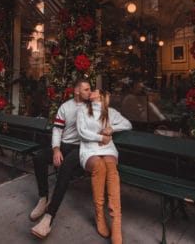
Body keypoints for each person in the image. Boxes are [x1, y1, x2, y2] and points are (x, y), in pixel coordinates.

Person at [30, 78, 91, 239]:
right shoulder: (65, 107)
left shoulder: (92, 106)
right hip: (65, 145)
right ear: (77, 91)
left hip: (82, 147)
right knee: (38, 158)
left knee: (65, 167)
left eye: (90, 89)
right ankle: (43, 198)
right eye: (86, 89)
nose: (89, 92)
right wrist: (56, 149)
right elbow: (57, 129)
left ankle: (48, 218)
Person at [76, 89, 132, 244]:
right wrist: (101, 137)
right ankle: (99, 215)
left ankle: (116, 223)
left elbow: (127, 124)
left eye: (95, 90)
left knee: (111, 167)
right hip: (89, 149)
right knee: (99, 166)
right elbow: (81, 132)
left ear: (101, 96)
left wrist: (111, 129)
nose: (92, 91)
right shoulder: (82, 111)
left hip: (108, 149)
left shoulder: (110, 112)